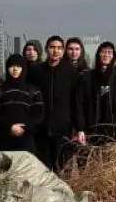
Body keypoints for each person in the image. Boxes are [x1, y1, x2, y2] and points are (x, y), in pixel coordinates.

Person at [29, 36, 82, 168]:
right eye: (52, 47)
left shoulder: (71, 71)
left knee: (63, 169)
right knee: (42, 169)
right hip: (41, 129)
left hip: (64, 128)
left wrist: (78, 127)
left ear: (63, 51)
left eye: (59, 48)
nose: (55, 51)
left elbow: (76, 101)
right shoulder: (36, 71)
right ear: (47, 49)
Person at [0, 54, 44, 154]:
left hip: (27, 141)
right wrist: (10, 127)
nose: (15, 69)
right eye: (12, 66)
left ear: (23, 68)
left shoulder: (33, 90)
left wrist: (24, 128)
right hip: (3, 141)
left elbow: (39, 115)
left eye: (19, 66)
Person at [80, 41, 116, 137]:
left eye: (109, 52)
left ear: (113, 57)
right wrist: (80, 128)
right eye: (103, 52)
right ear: (98, 54)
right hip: (91, 129)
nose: (106, 55)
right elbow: (80, 104)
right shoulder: (87, 77)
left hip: (113, 131)